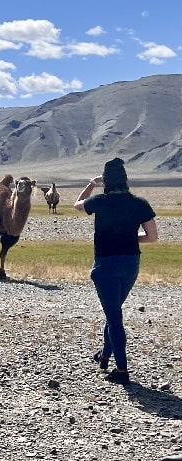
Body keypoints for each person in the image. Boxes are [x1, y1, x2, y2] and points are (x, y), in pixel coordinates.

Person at [74, 157, 158, 384]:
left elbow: (78, 204)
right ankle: (104, 355)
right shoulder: (140, 203)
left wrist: (92, 184)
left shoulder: (100, 201)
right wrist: (129, 237)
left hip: (105, 265)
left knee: (114, 316)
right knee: (113, 312)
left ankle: (122, 370)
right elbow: (152, 237)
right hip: (130, 264)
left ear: (107, 181)